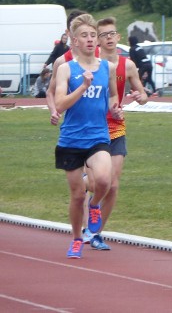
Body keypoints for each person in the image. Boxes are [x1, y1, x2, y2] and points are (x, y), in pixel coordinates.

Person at [54, 14, 123, 259]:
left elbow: (113, 96)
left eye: (93, 35)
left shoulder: (107, 67)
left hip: (98, 136)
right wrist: (82, 87)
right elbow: (60, 103)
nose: (91, 40)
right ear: (74, 40)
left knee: (104, 180)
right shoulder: (65, 69)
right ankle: (76, 238)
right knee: (76, 196)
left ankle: (94, 207)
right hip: (71, 139)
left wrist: (115, 108)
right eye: (85, 35)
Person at [88, 17, 149, 250]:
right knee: (96, 183)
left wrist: (138, 97)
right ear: (97, 40)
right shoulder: (90, 63)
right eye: (104, 35)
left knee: (112, 185)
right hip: (90, 128)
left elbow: (143, 96)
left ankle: (96, 233)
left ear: (119, 37)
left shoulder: (129, 65)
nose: (109, 38)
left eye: (112, 33)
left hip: (115, 127)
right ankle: (89, 195)